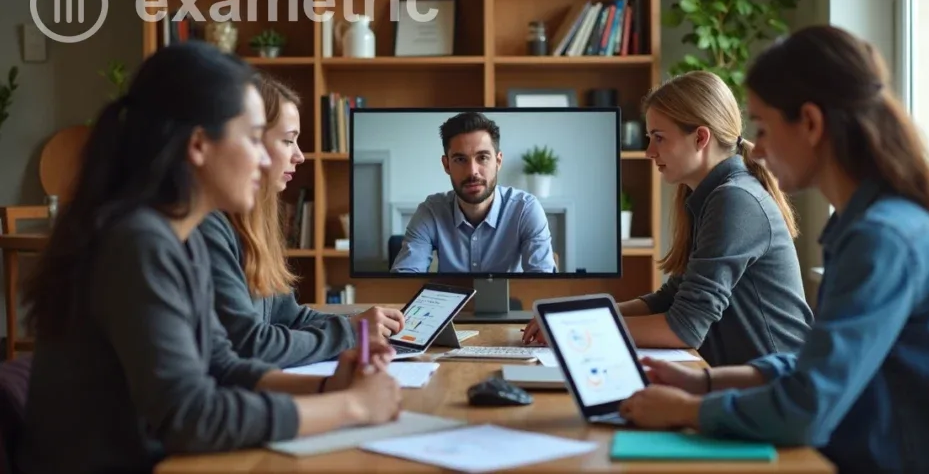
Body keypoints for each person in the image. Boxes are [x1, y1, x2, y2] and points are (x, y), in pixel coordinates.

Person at [618, 25, 929, 474]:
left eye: (763, 126)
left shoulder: (881, 238)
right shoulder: (861, 224)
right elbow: (813, 363)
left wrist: (686, 410)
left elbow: (808, 408)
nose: (756, 147)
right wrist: (704, 383)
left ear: (811, 123)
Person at [17, 42, 402, 474]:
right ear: (199, 145)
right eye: (255, 138)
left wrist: (329, 384)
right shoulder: (137, 243)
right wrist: (349, 407)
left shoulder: (181, 238)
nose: (264, 160)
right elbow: (191, 417)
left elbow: (221, 364)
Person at [523, 72, 813, 367]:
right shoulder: (711, 196)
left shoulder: (735, 199)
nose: (649, 152)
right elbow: (671, 298)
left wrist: (572, 330)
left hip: (778, 388)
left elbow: (685, 327)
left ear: (701, 137)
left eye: (659, 138)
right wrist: (574, 315)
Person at [197, 74, 404, 369]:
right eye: (287, 141)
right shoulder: (208, 228)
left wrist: (361, 324)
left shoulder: (257, 223)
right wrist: (351, 332)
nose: (300, 156)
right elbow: (251, 345)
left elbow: (291, 317)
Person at [390, 111, 557, 273]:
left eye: (482, 157)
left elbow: (542, 280)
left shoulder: (525, 209)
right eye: (460, 160)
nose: (472, 171)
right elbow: (404, 278)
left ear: (498, 162)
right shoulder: (431, 211)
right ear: (447, 165)